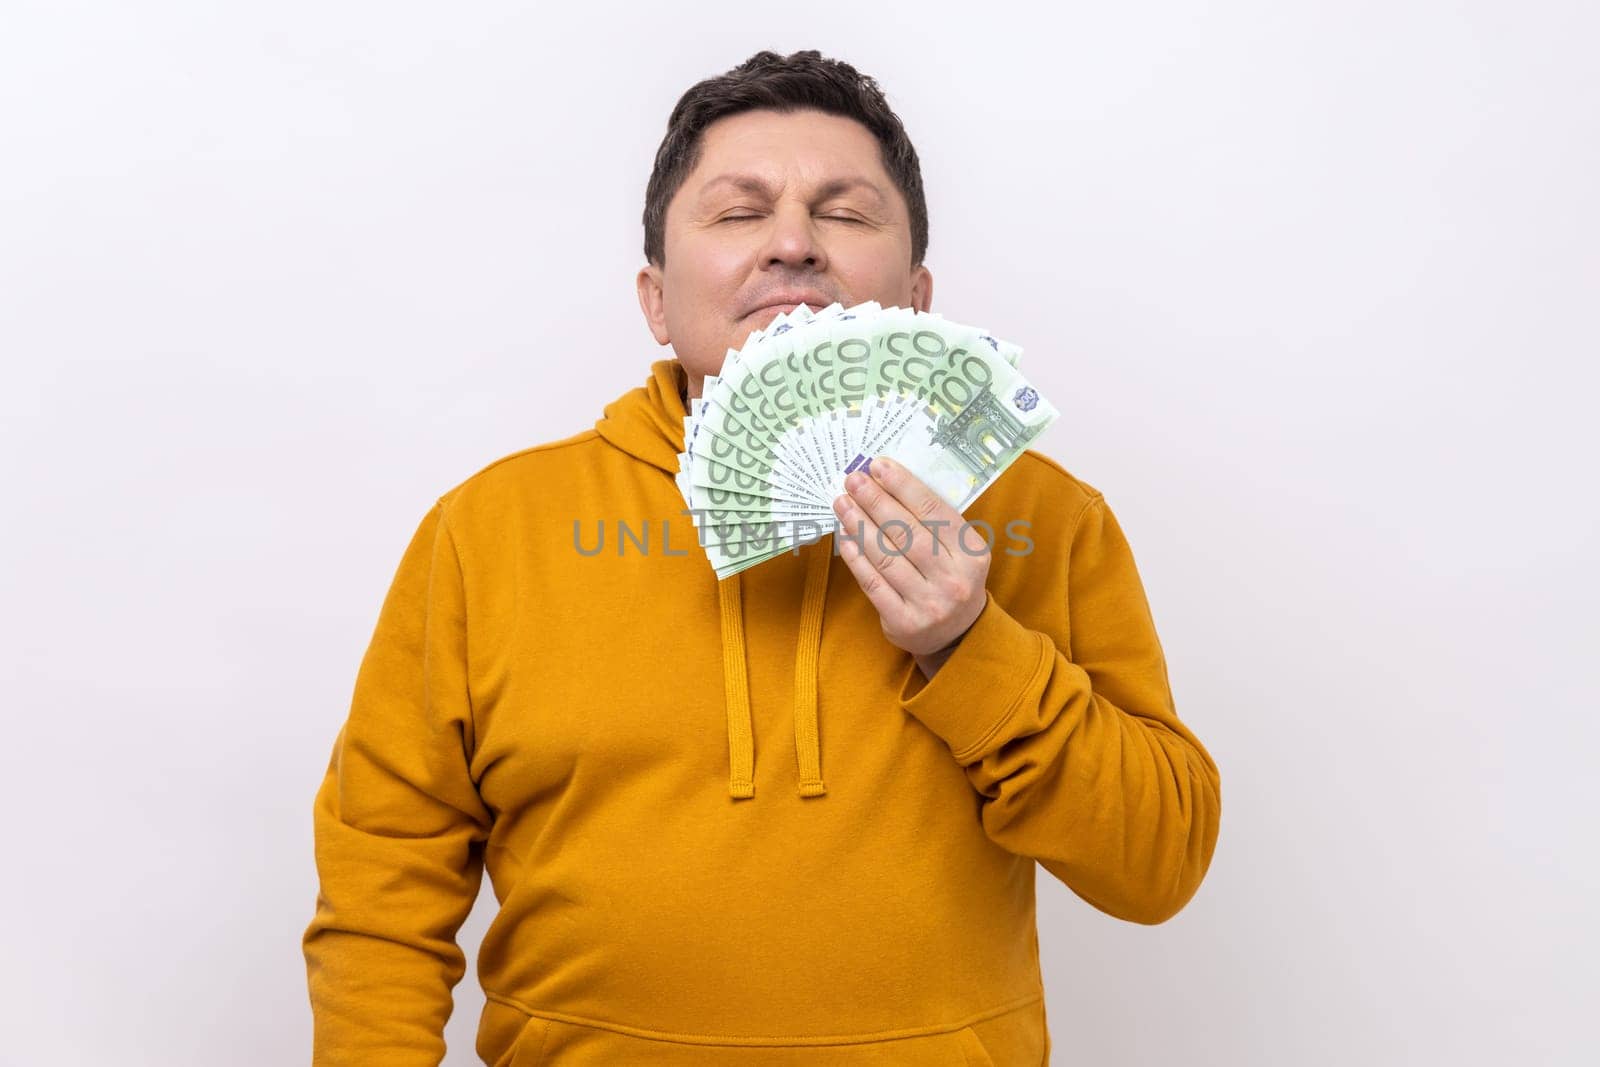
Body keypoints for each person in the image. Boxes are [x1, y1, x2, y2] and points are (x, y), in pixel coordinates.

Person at [302, 48, 1222, 1066]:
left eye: (844, 213)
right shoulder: (488, 530)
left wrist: (969, 646)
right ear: (655, 297)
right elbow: (382, 880)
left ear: (913, 299)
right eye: (739, 213)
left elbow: (1157, 864)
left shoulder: (1042, 518)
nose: (791, 242)